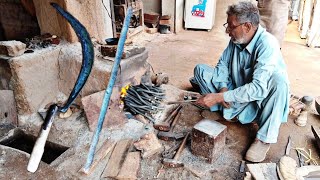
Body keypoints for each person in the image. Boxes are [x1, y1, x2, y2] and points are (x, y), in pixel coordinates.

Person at [190, 1, 289, 162]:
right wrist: (222, 88)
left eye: (231, 26)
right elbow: (222, 64)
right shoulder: (237, 39)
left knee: (279, 83)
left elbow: (258, 89)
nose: (228, 30)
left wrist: (220, 97)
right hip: (235, 90)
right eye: (227, 25)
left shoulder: (268, 44)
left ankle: (264, 138)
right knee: (201, 69)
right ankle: (228, 109)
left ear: (247, 26)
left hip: (256, 100)